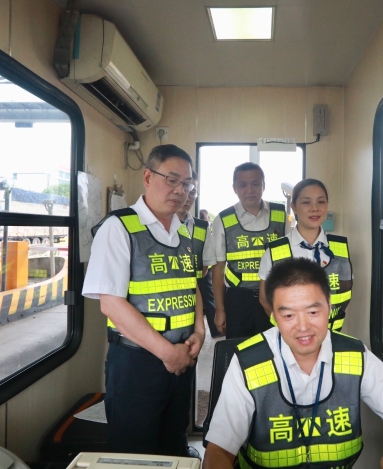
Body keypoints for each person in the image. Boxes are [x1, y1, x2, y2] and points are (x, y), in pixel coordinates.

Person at [203, 258, 383, 469]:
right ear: (273, 316)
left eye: (313, 312)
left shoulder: (355, 356)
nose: (303, 327)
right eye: (288, 315)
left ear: (329, 307)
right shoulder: (249, 361)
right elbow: (217, 452)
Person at [82, 144, 205, 456]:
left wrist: (199, 332)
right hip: (137, 364)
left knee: (173, 444)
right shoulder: (119, 227)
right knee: (134, 452)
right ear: (148, 177)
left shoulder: (184, 233)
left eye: (187, 183)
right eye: (172, 180)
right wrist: (168, 353)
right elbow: (111, 304)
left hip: (181, 359)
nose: (180, 190)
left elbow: (192, 286)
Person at [205, 162, 287, 338]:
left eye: (255, 184)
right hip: (238, 300)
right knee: (239, 348)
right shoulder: (223, 219)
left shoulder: (280, 215)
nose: (250, 190)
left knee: (274, 346)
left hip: (274, 296)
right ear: (234, 188)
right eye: (243, 185)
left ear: (263, 185)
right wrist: (220, 309)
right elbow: (218, 268)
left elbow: (290, 261)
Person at [258, 179, 352, 332]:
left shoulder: (340, 248)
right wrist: (290, 329)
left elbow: (344, 293)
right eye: (306, 202)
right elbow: (265, 299)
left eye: (321, 202)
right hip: (293, 336)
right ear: (293, 207)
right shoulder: (275, 252)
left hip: (331, 335)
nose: (315, 208)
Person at [176, 171, 220, 338]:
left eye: (192, 191)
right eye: (183, 188)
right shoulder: (154, 225)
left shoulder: (202, 227)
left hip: (193, 297)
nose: (187, 196)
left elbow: (205, 268)